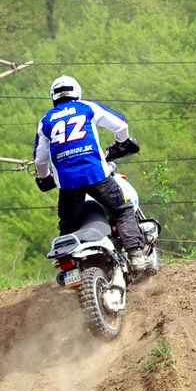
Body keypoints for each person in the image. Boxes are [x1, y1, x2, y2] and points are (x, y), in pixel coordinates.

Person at [32, 75, 149, 272]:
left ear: (53, 96)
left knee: (68, 227)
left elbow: (40, 161)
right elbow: (121, 125)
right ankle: (136, 255)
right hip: (96, 175)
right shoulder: (87, 107)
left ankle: (72, 271)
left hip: (68, 184)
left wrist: (44, 177)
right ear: (77, 92)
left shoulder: (46, 120)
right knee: (121, 209)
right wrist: (122, 142)